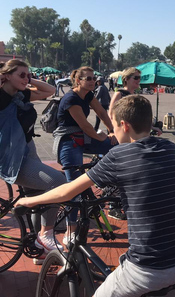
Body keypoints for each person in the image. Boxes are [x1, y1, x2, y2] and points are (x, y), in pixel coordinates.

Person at [16, 95, 175, 297]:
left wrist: (29, 200)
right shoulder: (169, 148)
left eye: (113, 127)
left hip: (146, 269)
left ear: (124, 125)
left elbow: (68, 190)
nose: (112, 132)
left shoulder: (119, 155)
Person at [0, 60, 67, 264]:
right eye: (22, 75)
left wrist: (27, 78)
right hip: (12, 160)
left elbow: (49, 90)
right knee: (59, 183)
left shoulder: (20, 94)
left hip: (28, 152)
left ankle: (39, 249)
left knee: (41, 200)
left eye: (28, 75)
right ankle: (46, 234)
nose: (27, 79)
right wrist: (3, 74)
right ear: (7, 76)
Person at [53, 66, 118, 232]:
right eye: (88, 78)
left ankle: (105, 180)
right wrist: (104, 138)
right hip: (68, 141)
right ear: (78, 80)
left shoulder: (88, 95)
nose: (92, 81)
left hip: (83, 137)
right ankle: (70, 231)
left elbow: (102, 113)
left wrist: (112, 132)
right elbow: (85, 126)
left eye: (93, 78)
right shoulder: (70, 99)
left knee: (117, 146)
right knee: (74, 189)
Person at [108, 67, 162, 136]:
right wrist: (112, 132)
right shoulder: (119, 94)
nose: (139, 80)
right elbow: (111, 115)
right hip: (121, 134)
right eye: (136, 78)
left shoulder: (135, 97)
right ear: (126, 79)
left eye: (140, 78)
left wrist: (151, 128)